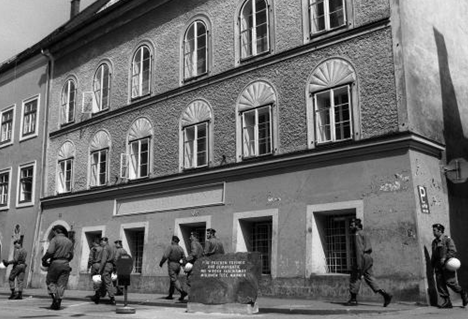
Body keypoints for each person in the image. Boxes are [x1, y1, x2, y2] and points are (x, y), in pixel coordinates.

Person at [346, 218, 392, 307]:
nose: (350, 226)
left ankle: (353, 299)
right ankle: (385, 294)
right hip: (368, 257)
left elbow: (359, 249)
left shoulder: (357, 234)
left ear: (357, 226)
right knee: (369, 277)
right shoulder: (364, 233)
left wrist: (359, 263)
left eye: (352, 225)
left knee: (355, 277)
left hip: (361, 257)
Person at [431, 223, 468, 308]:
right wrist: (432, 266)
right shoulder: (434, 242)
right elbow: (434, 255)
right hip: (438, 266)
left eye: (434, 230)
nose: (433, 232)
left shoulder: (447, 240)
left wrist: (445, 257)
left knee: (450, 282)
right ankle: (447, 302)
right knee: (440, 284)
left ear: (440, 231)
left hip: (447, 265)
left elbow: (453, 251)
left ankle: (463, 293)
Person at [41, 225, 74, 311]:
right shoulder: (69, 242)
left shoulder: (55, 239)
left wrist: (44, 258)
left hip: (55, 263)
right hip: (65, 264)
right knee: (61, 284)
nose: (53, 233)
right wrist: (66, 259)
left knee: (50, 281)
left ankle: (54, 299)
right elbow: (71, 255)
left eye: (54, 232)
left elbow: (50, 252)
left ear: (57, 231)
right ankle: (58, 301)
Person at [159, 236, 188, 301]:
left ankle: (182, 291)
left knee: (174, 279)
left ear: (173, 241)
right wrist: (184, 265)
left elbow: (165, 256)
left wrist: (161, 262)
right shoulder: (181, 248)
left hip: (172, 264)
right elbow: (184, 258)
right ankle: (170, 294)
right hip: (178, 265)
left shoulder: (170, 247)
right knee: (173, 280)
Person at [92, 237, 116, 305]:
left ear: (104, 241)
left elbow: (103, 260)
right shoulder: (112, 248)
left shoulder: (105, 248)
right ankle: (98, 296)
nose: (100, 244)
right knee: (104, 282)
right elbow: (114, 258)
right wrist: (114, 267)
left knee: (106, 282)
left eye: (101, 242)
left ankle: (112, 298)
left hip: (106, 266)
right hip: (110, 265)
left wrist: (100, 269)